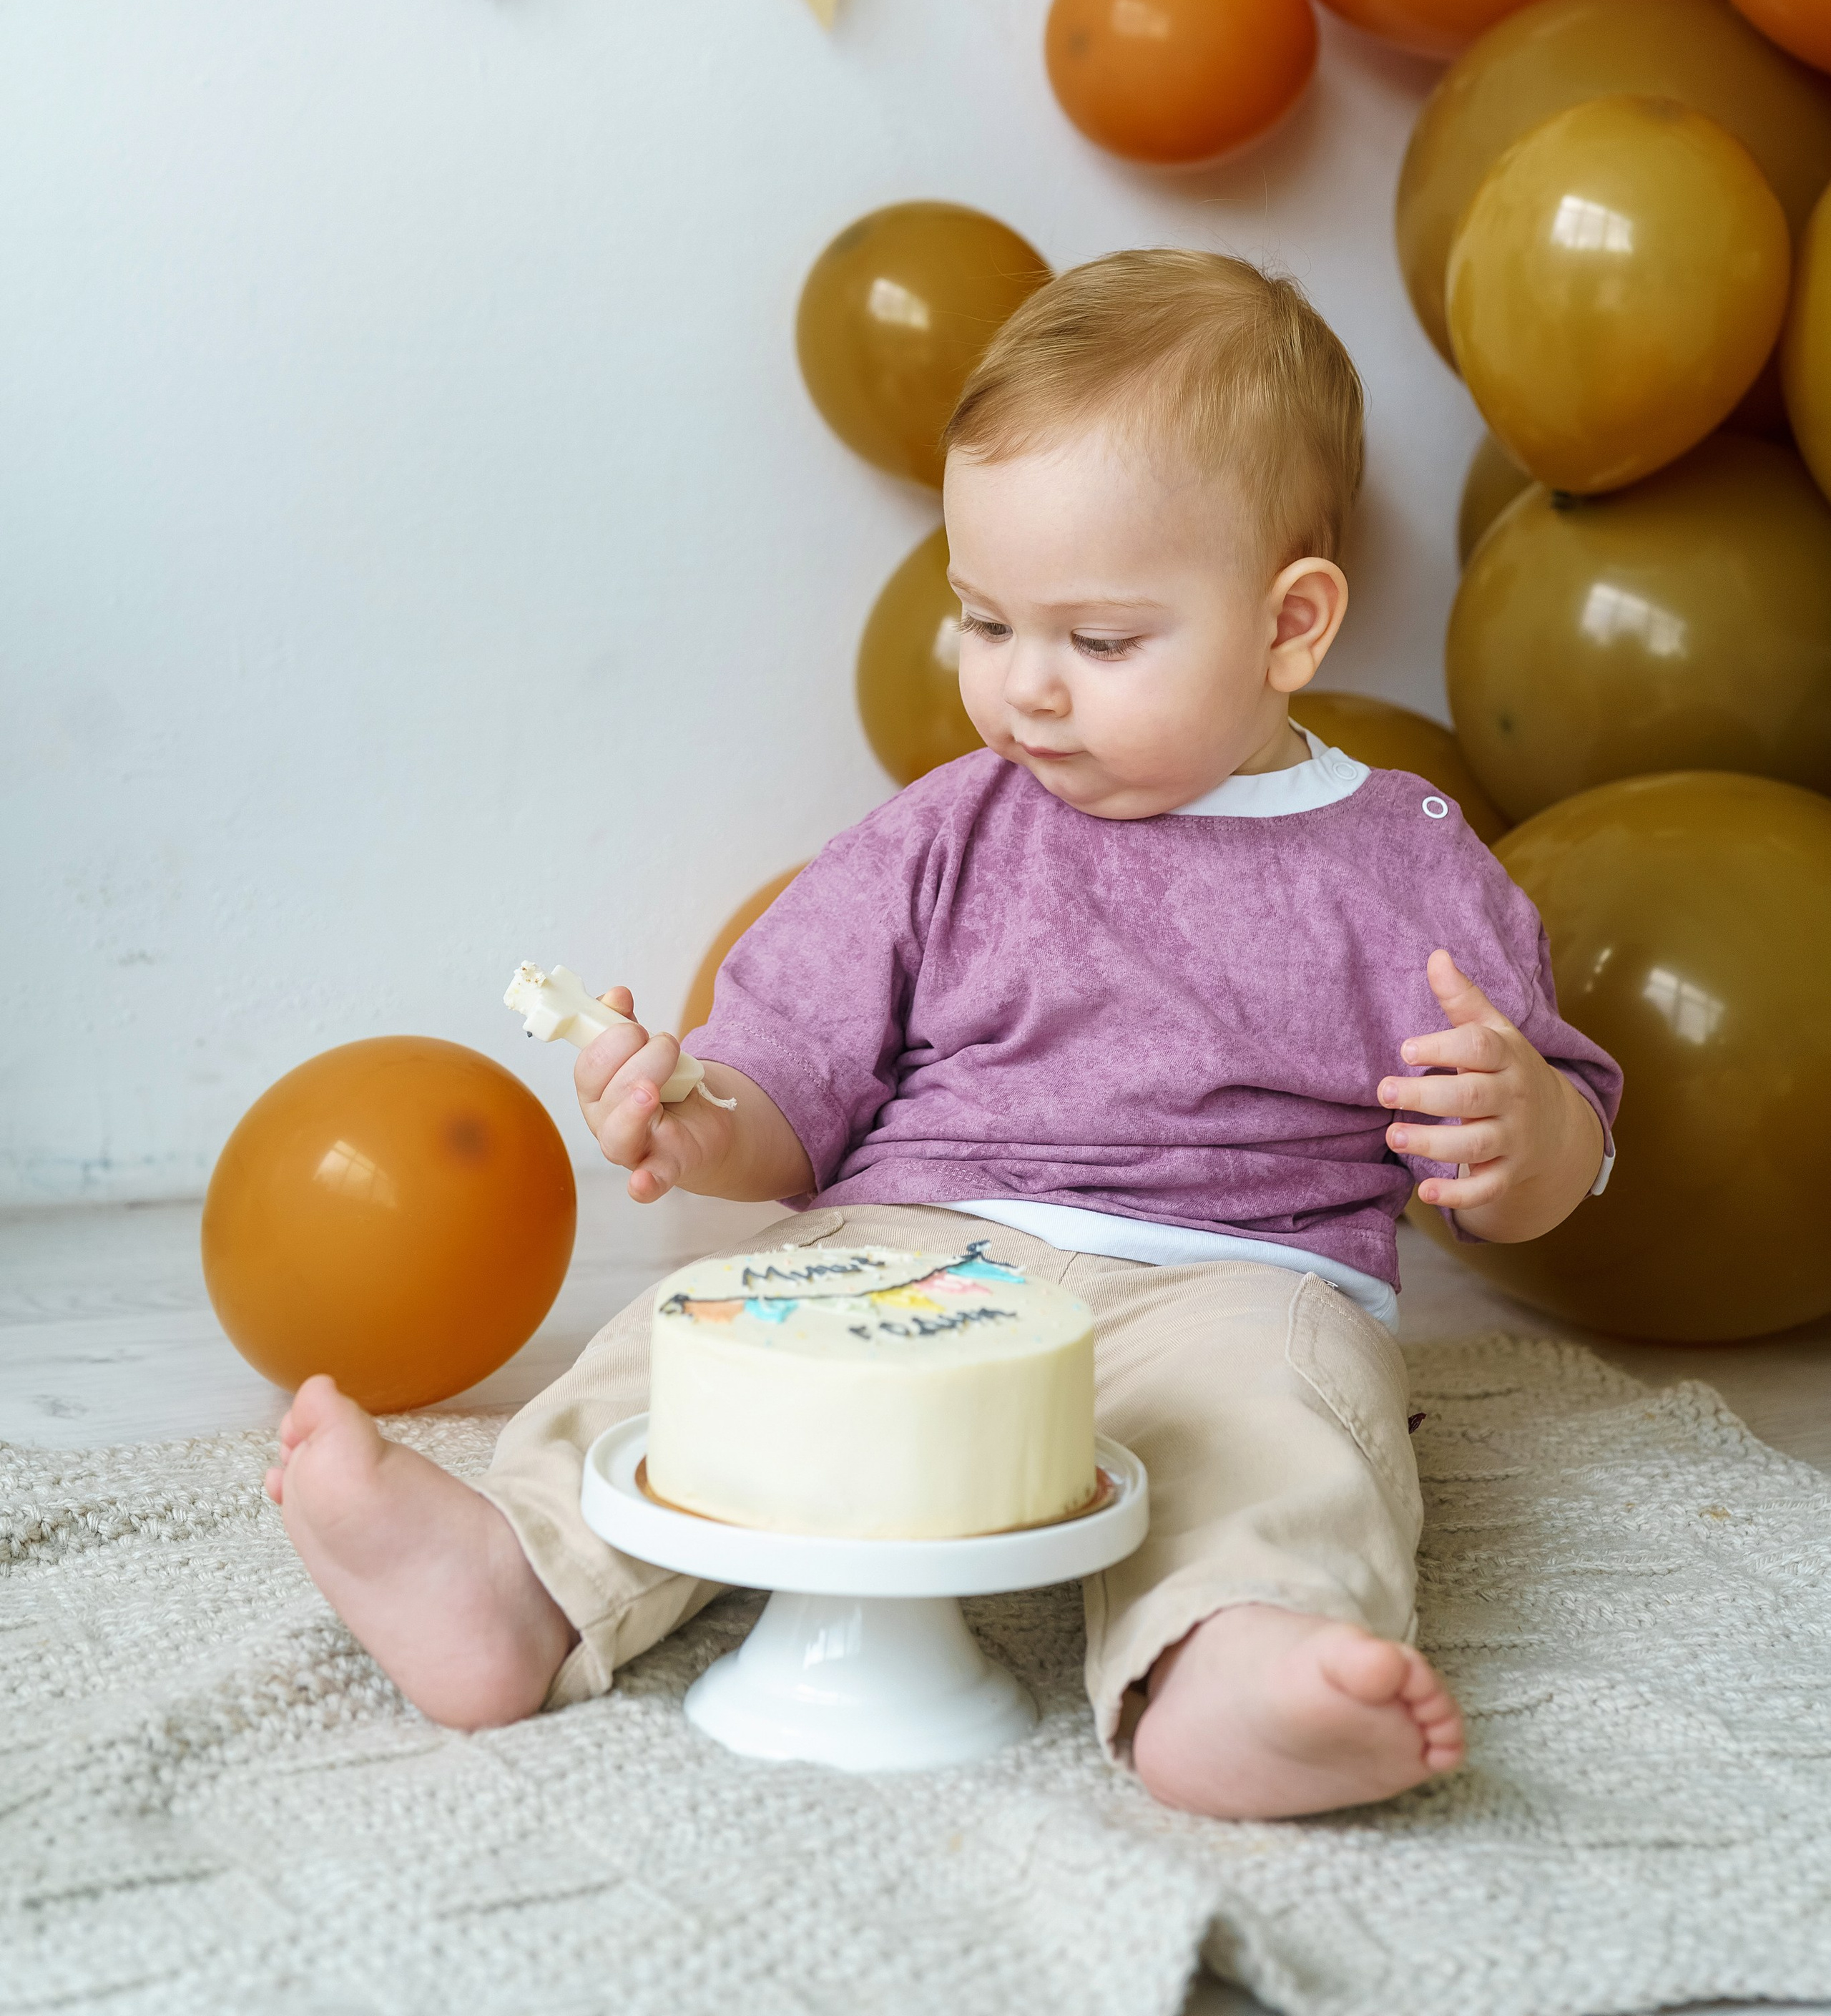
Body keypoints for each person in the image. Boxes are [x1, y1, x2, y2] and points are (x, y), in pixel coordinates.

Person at [267, 250, 1620, 1819]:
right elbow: (793, 1079)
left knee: (1283, 1437)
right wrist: (697, 1110)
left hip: (1236, 1284)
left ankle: (1237, 1661)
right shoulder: (946, 834)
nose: (1022, 691)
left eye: (1098, 642)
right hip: (913, 1247)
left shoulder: (1400, 865)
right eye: (985, 621)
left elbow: (1553, 1144)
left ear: (1288, 625)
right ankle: (517, 1574)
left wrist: (1528, 1136)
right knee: (700, 1344)